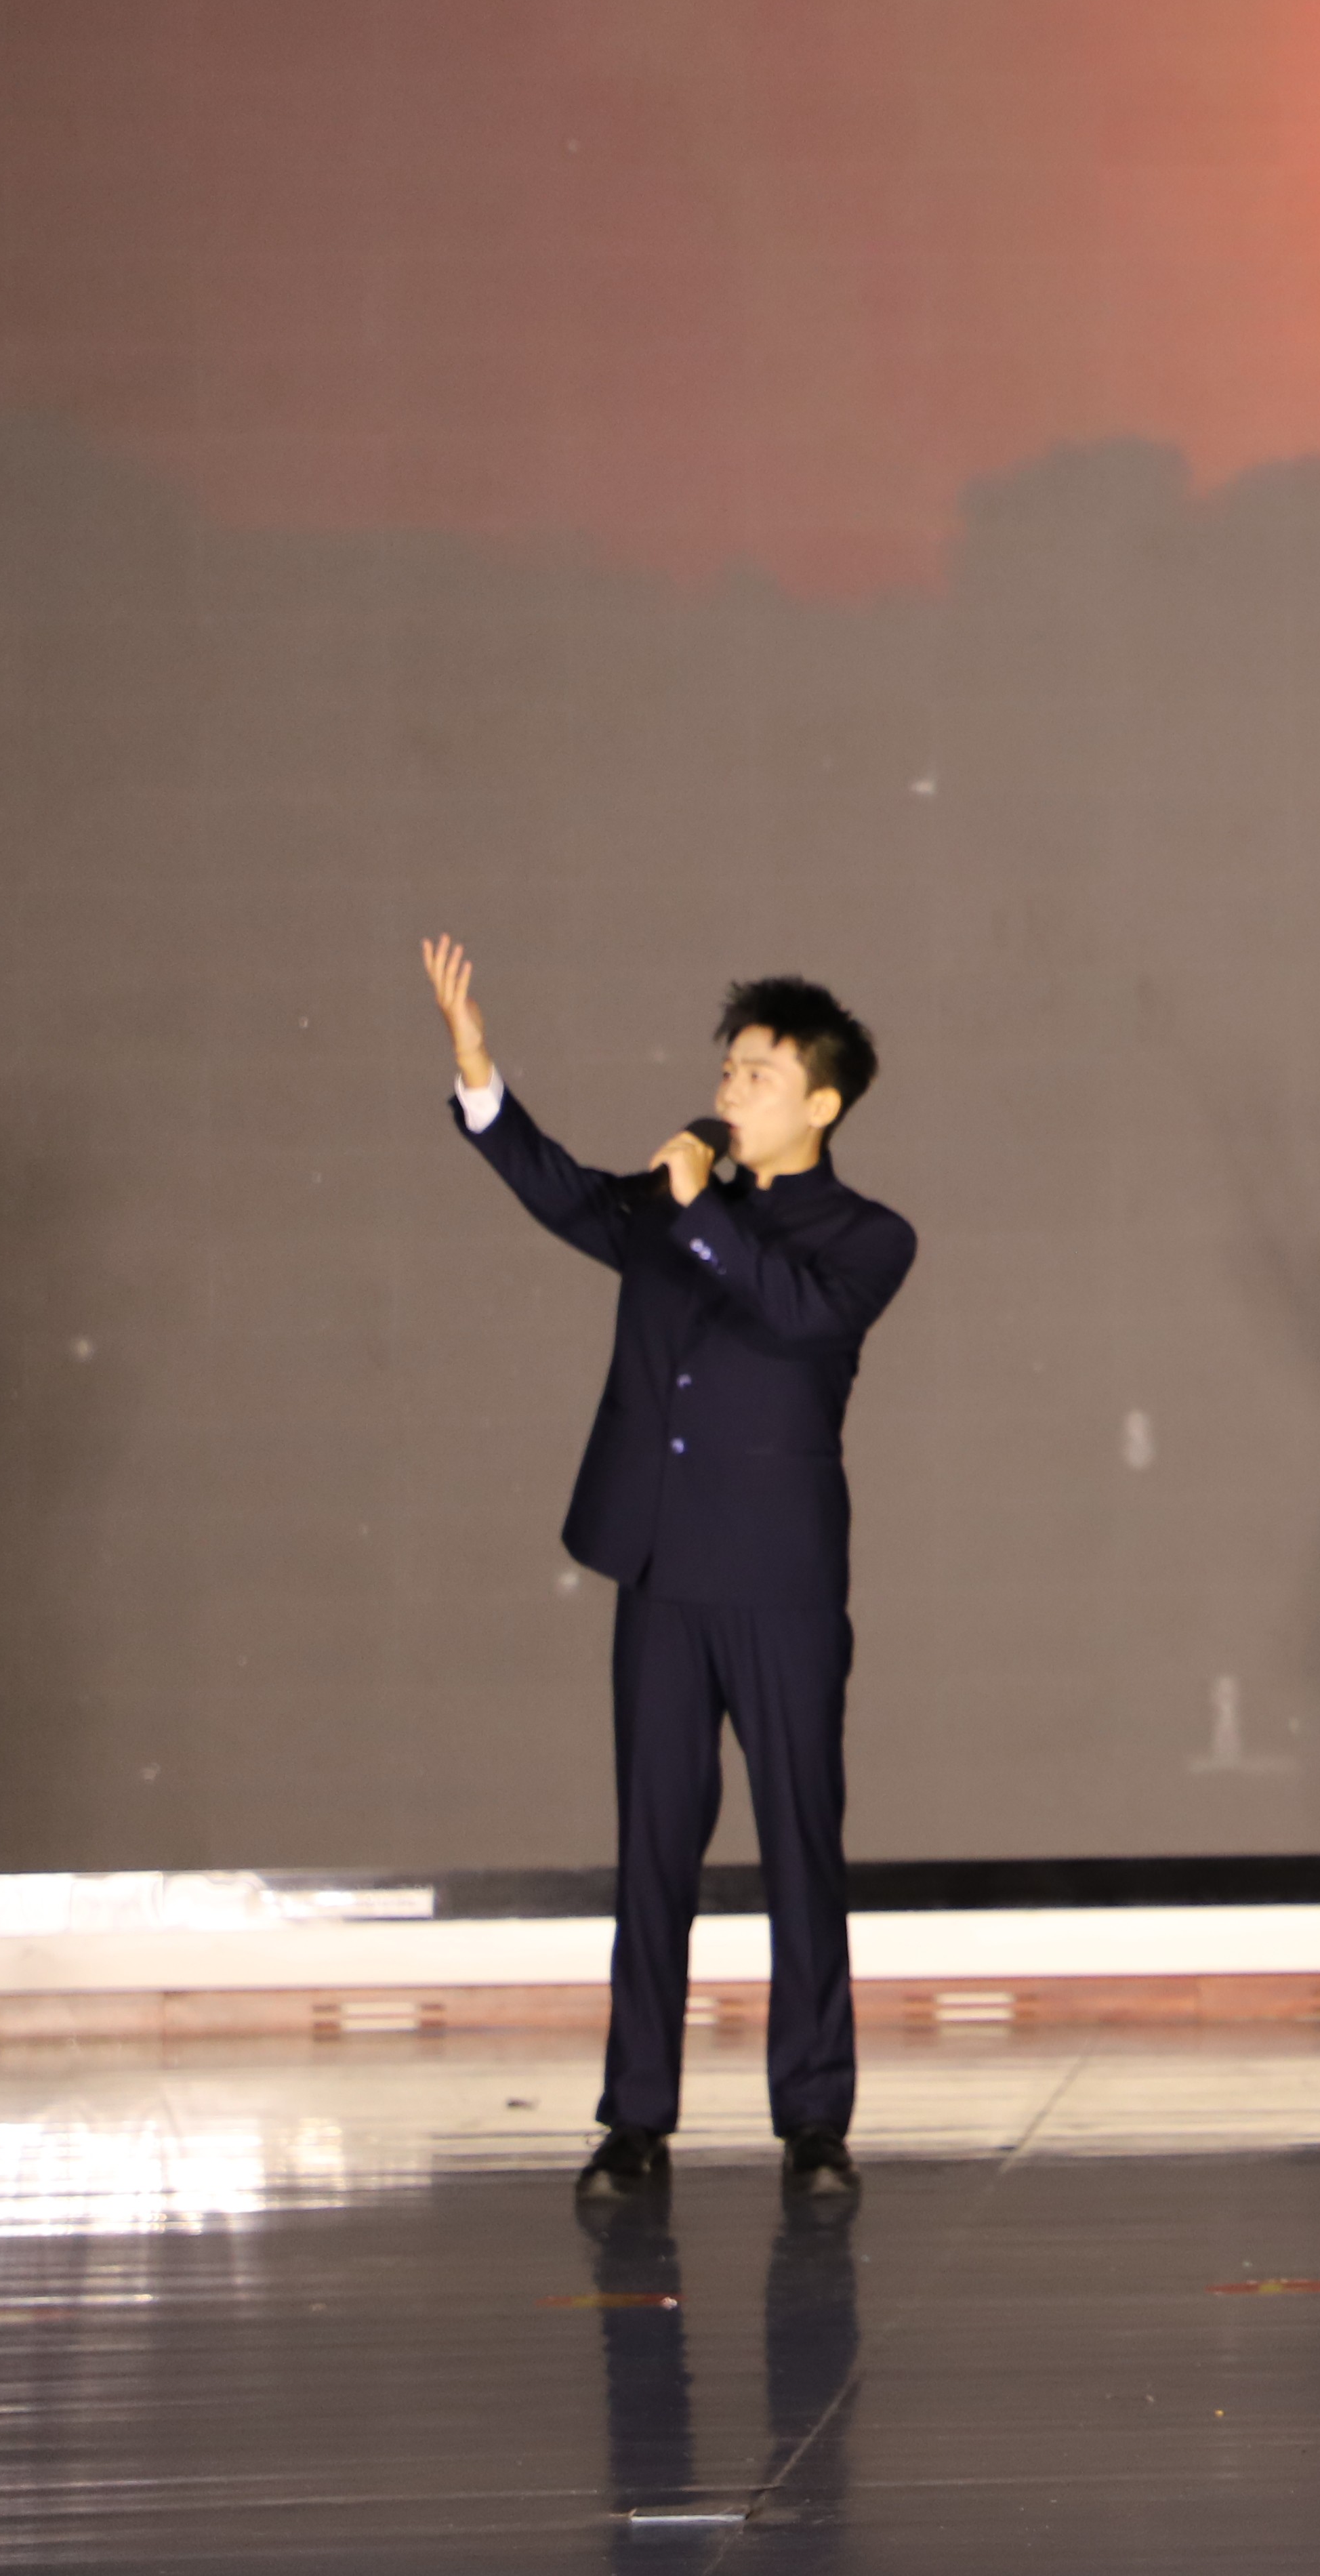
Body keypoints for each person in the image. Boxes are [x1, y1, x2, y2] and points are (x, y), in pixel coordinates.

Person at [421, 936, 918, 2202]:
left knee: (800, 1845)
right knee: (652, 1848)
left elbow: (794, 1316)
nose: (731, 1088)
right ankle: (636, 2117)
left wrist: (699, 1209)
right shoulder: (670, 1203)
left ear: (822, 1104)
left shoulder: (867, 1237)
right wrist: (480, 1075)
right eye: (729, 1069)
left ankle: (815, 2121)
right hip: (660, 1569)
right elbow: (562, 1193)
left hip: (781, 1582)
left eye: (759, 1075)